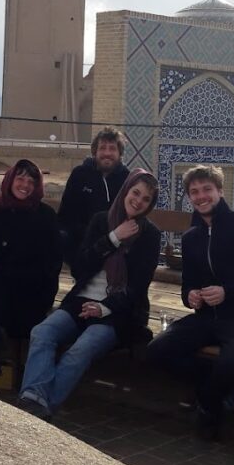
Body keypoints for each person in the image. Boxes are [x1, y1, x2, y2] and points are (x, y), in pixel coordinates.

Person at [146, 165, 234, 437]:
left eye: (207, 189)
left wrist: (227, 292)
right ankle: (218, 393)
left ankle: (208, 408)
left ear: (220, 190)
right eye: (194, 192)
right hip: (207, 319)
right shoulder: (192, 238)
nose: (201, 196)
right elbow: (188, 286)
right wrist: (191, 297)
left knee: (231, 363)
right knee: (156, 351)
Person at [17, 169, 161, 419]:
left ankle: (39, 409)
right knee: (42, 332)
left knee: (80, 349)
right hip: (81, 300)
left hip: (118, 312)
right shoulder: (101, 221)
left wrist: (103, 308)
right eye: (135, 193)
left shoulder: (150, 235)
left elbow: (137, 288)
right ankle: (35, 399)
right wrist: (114, 238)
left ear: (150, 205)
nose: (138, 201)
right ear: (126, 190)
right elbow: (81, 266)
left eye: (146, 199)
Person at [0, 159, 62, 388]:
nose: (25, 185)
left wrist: (8, 273)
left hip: (29, 292)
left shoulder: (45, 217)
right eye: (20, 178)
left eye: (31, 181)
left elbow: (51, 265)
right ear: (10, 180)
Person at [57, 127, 130, 263]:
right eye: (102, 148)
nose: (107, 153)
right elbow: (66, 216)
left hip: (115, 246)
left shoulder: (127, 179)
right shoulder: (80, 175)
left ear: (120, 153)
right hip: (81, 246)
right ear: (95, 152)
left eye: (112, 149)